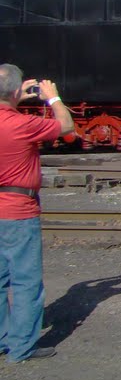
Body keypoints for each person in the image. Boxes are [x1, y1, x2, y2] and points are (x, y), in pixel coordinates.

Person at [0, 63, 76, 361]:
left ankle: (3, 338)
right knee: (26, 282)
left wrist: (17, 96)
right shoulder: (22, 124)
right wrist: (52, 98)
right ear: (17, 91)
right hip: (19, 211)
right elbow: (66, 126)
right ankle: (21, 348)